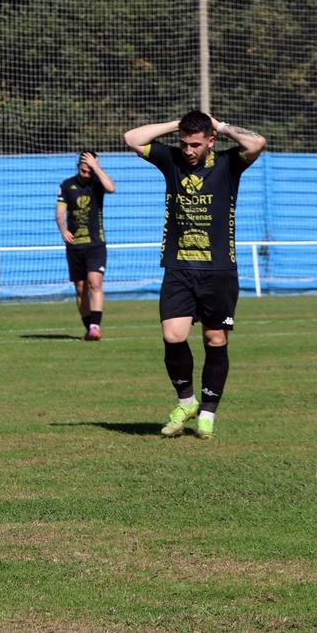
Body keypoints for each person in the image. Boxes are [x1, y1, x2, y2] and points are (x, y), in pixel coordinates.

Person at [123, 110, 266, 440]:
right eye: (184, 143)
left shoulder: (230, 163)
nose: (188, 150)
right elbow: (132, 138)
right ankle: (186, 402)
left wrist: (219, 125)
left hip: (219, 272)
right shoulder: (170, 160)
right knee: (173, 336)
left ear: (211, 141)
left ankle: (208, 413)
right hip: (178, 268)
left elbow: (257, 142)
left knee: (215, 340)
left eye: (196, 144)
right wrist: (179, 124)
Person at [56, 151, 116, 340]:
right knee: (81, 288)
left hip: (95, 243)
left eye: (91, 166)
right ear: (79, 165)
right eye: (85, 165)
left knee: (95, 283)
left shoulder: (97, 183)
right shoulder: (67, 185)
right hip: (74, 246)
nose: (87, 170)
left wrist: (97, 167)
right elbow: (59, 213)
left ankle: (95, 327)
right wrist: (63, 229)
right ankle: (88, 328)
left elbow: (111, 188)